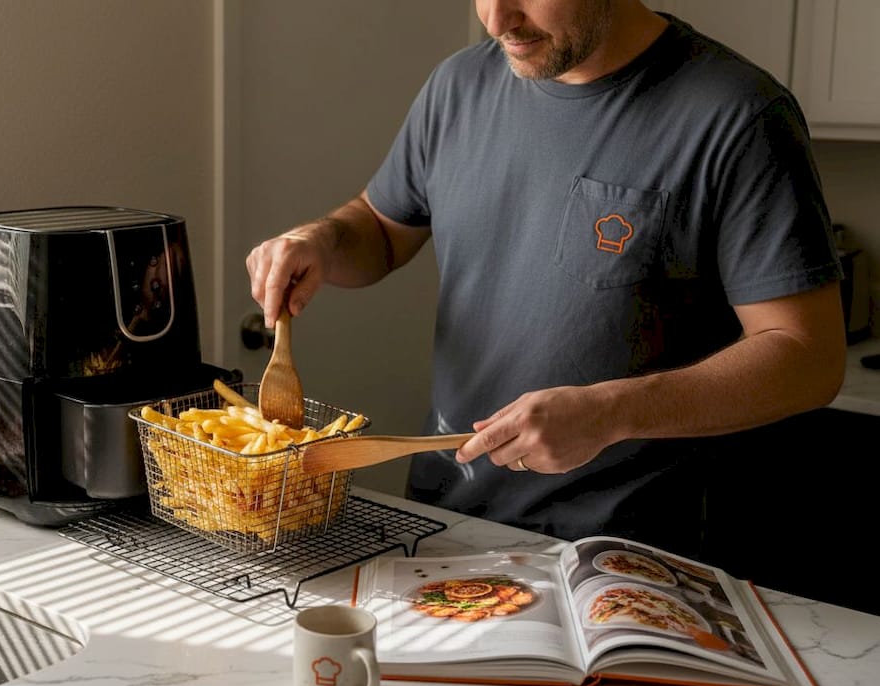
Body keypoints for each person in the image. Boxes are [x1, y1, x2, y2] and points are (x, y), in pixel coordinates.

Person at [245, 0, 845, 560]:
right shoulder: (459, 86)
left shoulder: (740, 114)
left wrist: (609, 411)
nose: (497, 19)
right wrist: (319, 239)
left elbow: (807, 357)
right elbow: (380, 230)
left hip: (631, 556)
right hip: (444, 527)